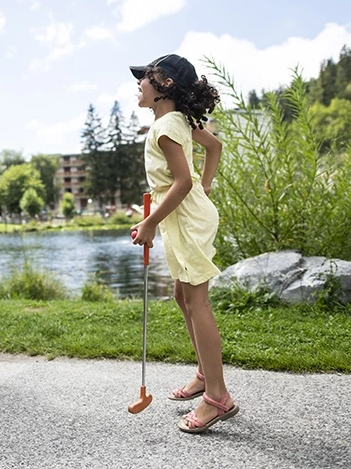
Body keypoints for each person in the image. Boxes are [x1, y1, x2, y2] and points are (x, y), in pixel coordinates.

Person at [128, 53, 239, 434]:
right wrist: (204, 186)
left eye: (145, 78)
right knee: (181, 295)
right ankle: (206, 375)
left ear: (165, 86)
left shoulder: (166, 127)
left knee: (196, 301)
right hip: (183, 216)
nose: (139, 84)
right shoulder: (176, 122)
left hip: (186, 220)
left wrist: (149, 222)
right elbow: (216, 148)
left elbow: (182, 183)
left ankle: (218, 397)